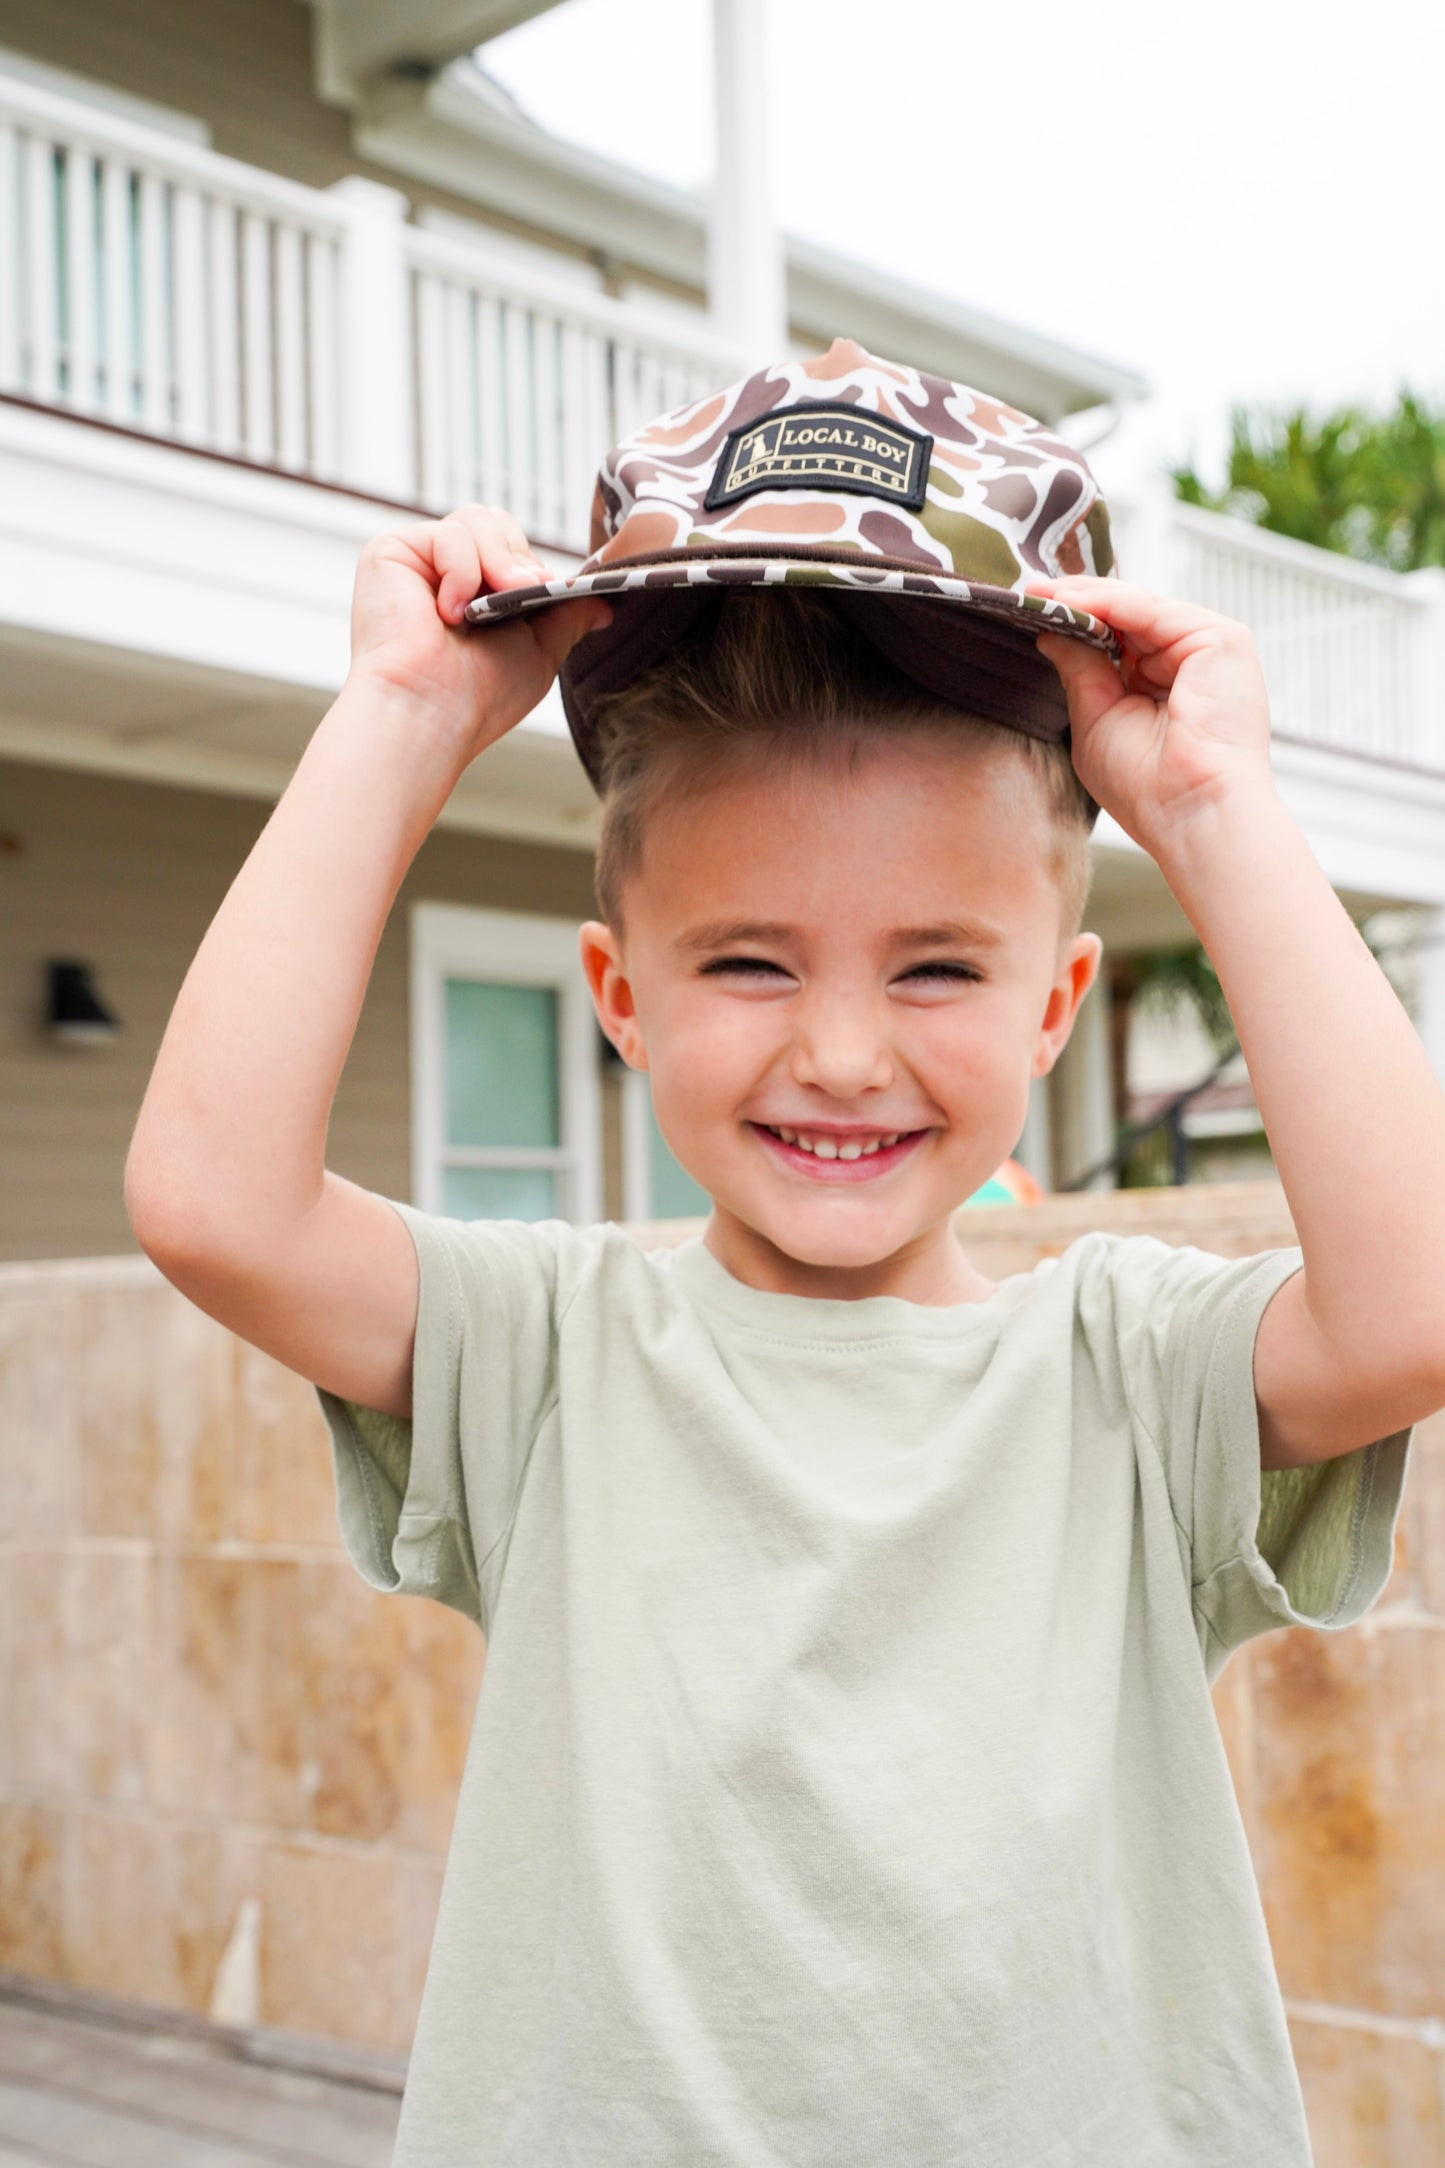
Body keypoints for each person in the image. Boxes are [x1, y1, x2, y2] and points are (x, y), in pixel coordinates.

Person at [126, 346, 1443, 2167]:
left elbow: (1413, 1308)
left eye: (935, 967)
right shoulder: (547, 1354)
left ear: (1055, 1003)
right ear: (621, 998)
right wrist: (400, 717)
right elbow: (214, 1201)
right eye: (748, 961)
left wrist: (1214, 809)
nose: (837, 1052)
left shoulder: (1126, 1378)